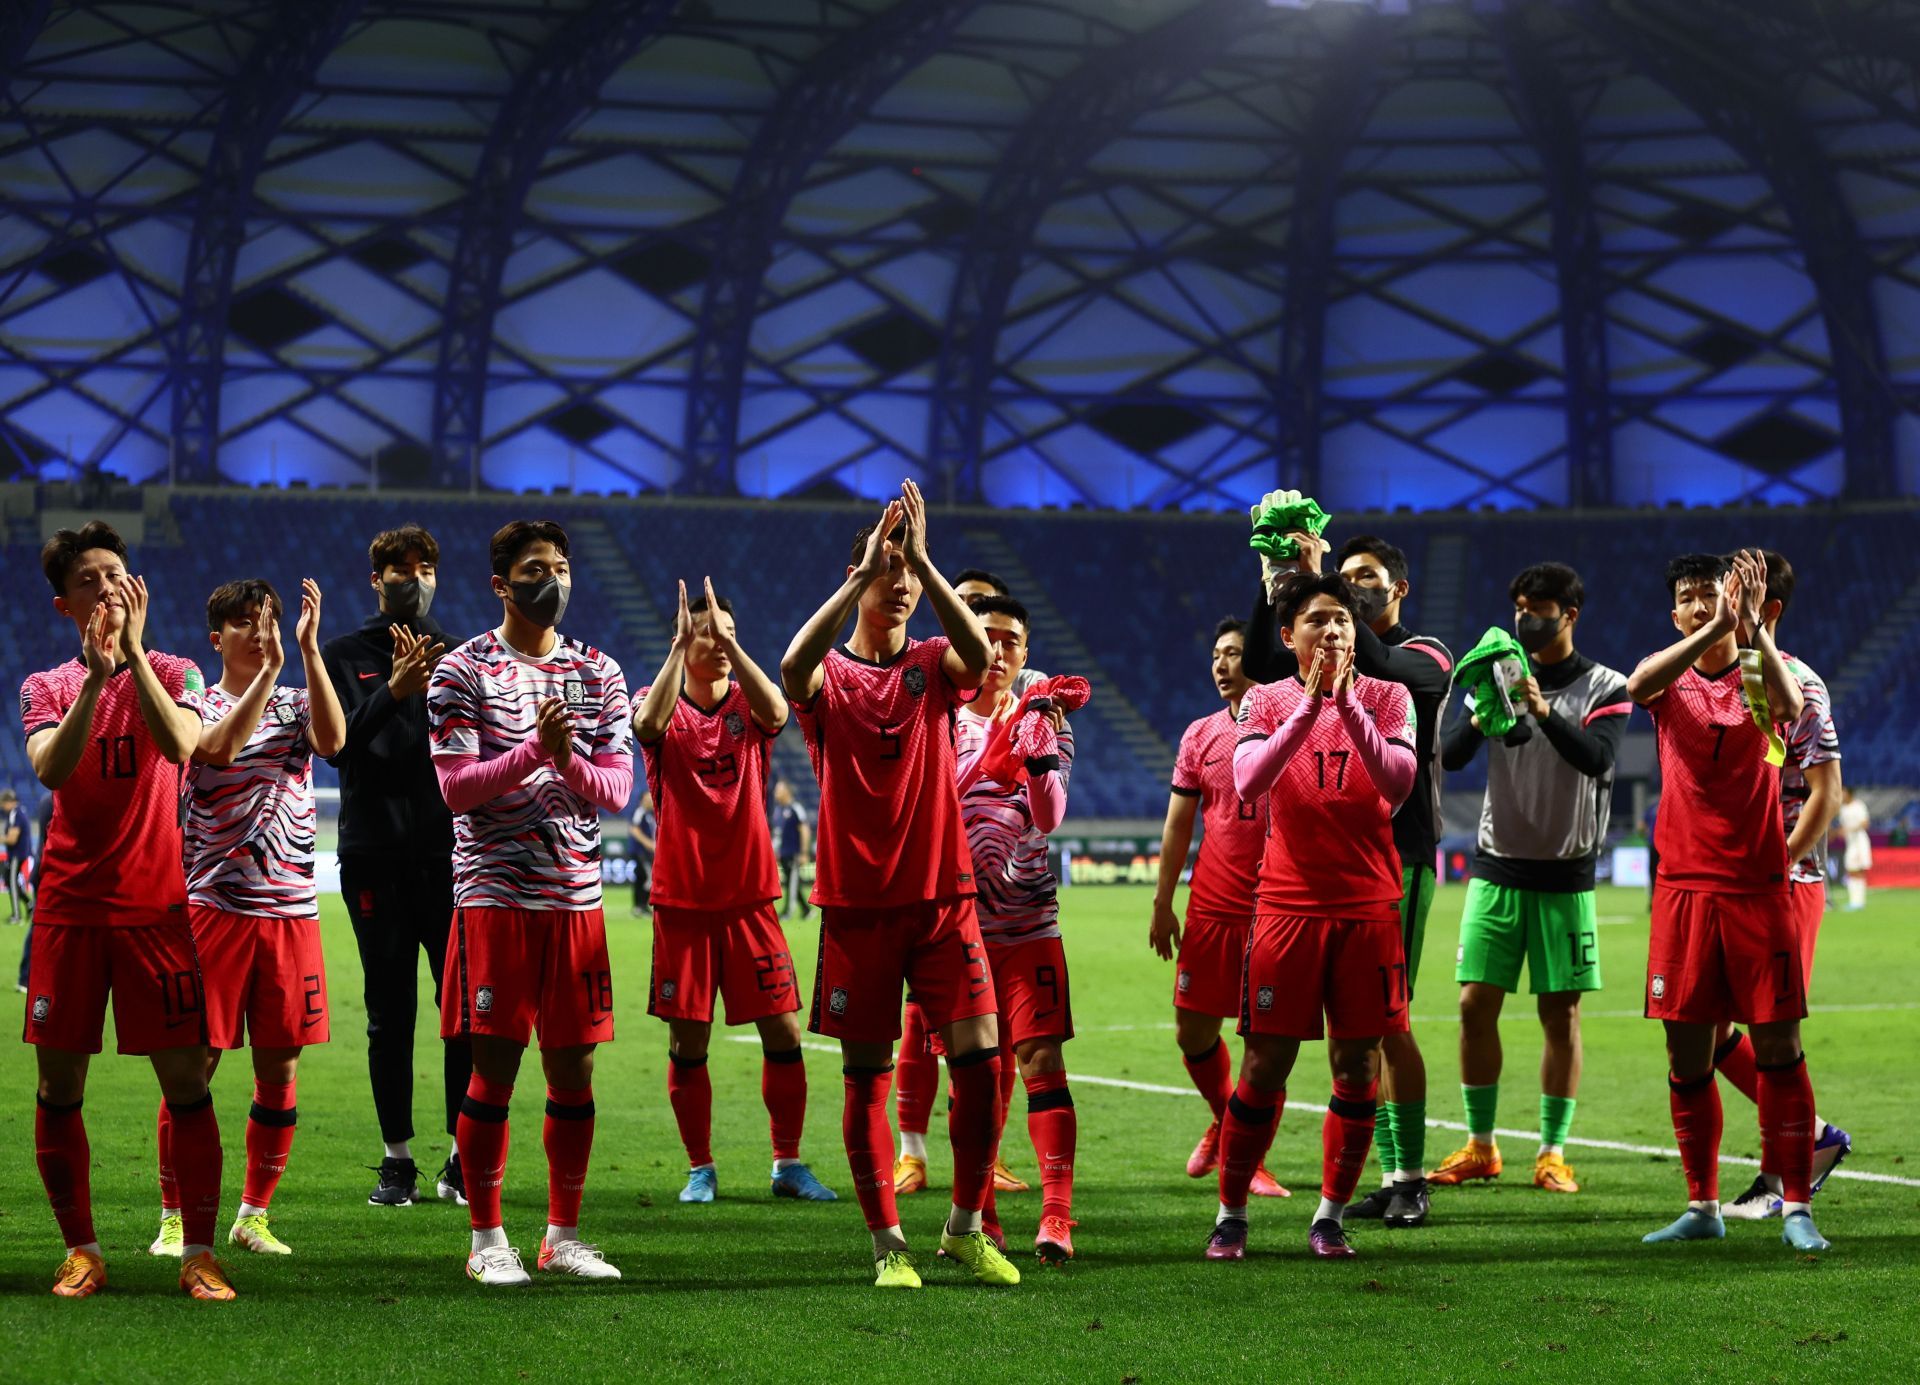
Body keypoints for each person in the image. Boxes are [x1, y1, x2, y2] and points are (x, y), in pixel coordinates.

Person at [779, 481, 1018, 1290]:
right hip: (857, 907)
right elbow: (790, 666)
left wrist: (918, 553)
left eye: (909, 569)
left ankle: (964, 1226)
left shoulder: (931, 665)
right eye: (888, 568)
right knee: (866, 1076)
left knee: (982, 1062)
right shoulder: (830, 679)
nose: (903, 581)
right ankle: (888, 1243)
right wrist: (861, 575)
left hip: (943, 898)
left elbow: (980, 656)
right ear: (857, 575)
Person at [22, 521, 235, 1300]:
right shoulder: (44, 685)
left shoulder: (174, 669)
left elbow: (185, 745)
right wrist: (91, 678)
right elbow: (52, 767)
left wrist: (135, 658)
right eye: (90, 580)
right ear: (63, 604)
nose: (108, 588)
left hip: (157, 908)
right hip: (71, 910)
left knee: (188, 1082)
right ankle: (82, 1250)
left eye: (118, 574)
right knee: (58, 1089)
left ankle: (200, 1254)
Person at [430, 520, 633, 1286]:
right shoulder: (463, 669)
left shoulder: (598, 672)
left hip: (576, 901)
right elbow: (455, 788)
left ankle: (562, 1234)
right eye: (533, 568)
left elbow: (616, 789)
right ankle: (487, 1239)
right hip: (496, 897)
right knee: (495, 1070)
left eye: (560, 566)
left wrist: (569, 759)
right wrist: (534, 755)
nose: (551, 578)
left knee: (574, 1072)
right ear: (500, 583)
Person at [1205, 572, 1417, 1263]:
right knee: (1265, 1062)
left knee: (1356, 1065)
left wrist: (1346, 703)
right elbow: (1249, 779)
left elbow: (1398, 781)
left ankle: (1328, 1216)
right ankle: (1231, 1213)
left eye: (1343, 621)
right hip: (1288, 907)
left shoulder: (1390, 697)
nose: (1332, 630)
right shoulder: (1264, 699)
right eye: (1317, 619)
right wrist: (1310, 707)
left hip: (1367, 908)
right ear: (1291, 633)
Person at [1250, 513, 1452, 1229]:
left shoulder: (1424, 657)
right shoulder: (1315, 647)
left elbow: (1378, 665)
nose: (1356, 590)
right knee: (1353, 1039)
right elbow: (1262, 661)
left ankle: (1410, 1177)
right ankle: (1386, 1175)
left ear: (1399, 588)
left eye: (1367, 578)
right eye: (1348, 577)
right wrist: (1283, 582)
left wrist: (1320, 591)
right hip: (1322, 866)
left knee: (1391, 1026)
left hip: (1398, 854)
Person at [1627, 550, 1828, 1253]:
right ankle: (1703, 1202)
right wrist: (1709, 627)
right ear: (1675, 611)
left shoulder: (1759, 674)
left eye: (1711, 592)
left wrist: (1751, 630)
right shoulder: (1671, 673)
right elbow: (1636, 682)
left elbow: (1794, 708)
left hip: (1756, 888)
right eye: (1687, 596)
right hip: (1683, 890)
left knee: (1779, 1048)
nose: (1699, 603)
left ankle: (1797, 1205)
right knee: (1688, 1054)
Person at [155, 577, 345, 1259]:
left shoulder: (295, 699)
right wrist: (268, 671)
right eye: (243, 622)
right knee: (195, 1064)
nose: (259, 631)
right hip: (215, 907)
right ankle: (175, 1215)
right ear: (217, 638)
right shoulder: (195, 703)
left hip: (290, 910)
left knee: (280, 1065)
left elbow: (333, 739)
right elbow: (219, 750)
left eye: (265, 620)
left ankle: (253, 1213)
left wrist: (309, 651)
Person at [633, 579, 835, 1205]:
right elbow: (647, 726)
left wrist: (729, 641)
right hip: (684, 904)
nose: (718, 644)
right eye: (707, 635)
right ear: (683, 641)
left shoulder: (750, 704)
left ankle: (788, 1163)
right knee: (687, 1042)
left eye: (728, 634)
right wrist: (676, 649)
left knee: (785, 1034)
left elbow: (780, 713)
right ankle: (701, 1168)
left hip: (751, 899)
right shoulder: (658, 697)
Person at [1434, 563, 1630, 1197]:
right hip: (1497, 864)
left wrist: (1541, 711)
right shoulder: (1497, 670)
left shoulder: (1607, 685)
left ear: (1569, 615)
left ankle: (1551, 1152)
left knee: (1559, 1014)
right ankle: (1481, 1145)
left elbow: (1597, 758)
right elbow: (1453, 753)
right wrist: (1484, 715)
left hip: (1567, 874)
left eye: (1539, 608)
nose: (1525, 619)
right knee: (1472, 1006)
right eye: (1519, 606)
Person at [321, 523, 472, 1208]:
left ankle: (464, 1153)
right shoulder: (343, 652)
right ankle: (397, 1160)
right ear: (375, 579)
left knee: (463, 1010)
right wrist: (394, 691)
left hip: (449, 859)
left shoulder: (464, 655)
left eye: (427, 565)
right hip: (374, 857)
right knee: (390, 1011)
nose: (416, 576)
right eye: (401, 567)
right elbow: (339, 747)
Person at [891, 569, 1050, 1200]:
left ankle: (987, 1153)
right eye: (970, 611)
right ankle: (911, 1152)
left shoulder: (1028, 691)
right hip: (935, 894)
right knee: (916, 1027)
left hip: (1009, 903)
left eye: (994, 616)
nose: (990, 635)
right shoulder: (929, 684)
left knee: (995, 1039)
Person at [1718, 552, 1851, 1218]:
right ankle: (1816, 1134)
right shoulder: (1714, 679)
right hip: (1725, 885)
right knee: (1705, 1029)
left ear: (1767, 610)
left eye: (1736, 596)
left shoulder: (1800, 684)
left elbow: (1827, 791)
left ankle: (1779, 1182)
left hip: (1787, 881)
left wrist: (1780, 861)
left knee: (1773, 1033)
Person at [955, 594, 1079, 1259]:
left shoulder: (1050, 718)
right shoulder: (941, 719)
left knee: (1041, 1060)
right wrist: (990, 757)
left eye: (1011, 640)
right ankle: (984, 1216)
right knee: (976, 1075)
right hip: (959, 927)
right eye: (987, 636)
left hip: (1031, 921)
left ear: (1026, 653)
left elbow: (1051, 813)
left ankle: (1055, 1216)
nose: (999, 650)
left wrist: (1033, 755)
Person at [1150, 619, 1285, 1198]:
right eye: (1216, 655)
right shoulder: (1199, 735)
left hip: (1277, 910)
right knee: (1191, 1032)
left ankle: (1246, 1159)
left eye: (1235, 653)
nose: (1222, 664)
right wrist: (1163, 900)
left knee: (1265, 1046)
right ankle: (1228, 1124)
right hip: (1210, 908)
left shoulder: (1291, 728)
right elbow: (1180, 823)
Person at [771, 781, 811, 922]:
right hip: (783, 854)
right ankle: (807, 910)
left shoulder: (796, 808)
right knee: (792, 882)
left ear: (787, 791)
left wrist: (804, 852)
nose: (775, 793)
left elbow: (805, 830)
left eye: (778, 790)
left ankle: (788, 912)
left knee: (792, 883)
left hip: (794, 853)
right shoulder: (777, 811)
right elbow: (777, 834)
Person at [1837, 788, 1871, 911]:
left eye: (1843, 793)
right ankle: (1855, 901)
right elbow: (1842, 826)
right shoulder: (1843, 809)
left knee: (1858, 870)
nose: (1841, 795)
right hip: (1850, 842)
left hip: (1860, 842)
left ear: (1850, 794)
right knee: (1851, 870)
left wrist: (1850, 829)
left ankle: (1858, 902)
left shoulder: (1859, 806)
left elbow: (1865, 823)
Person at [2, 788, 32, 922]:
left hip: (17, 854)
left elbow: (12, 839)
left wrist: (1, 838)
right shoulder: (18, 812)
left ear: (9, 802)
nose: (2, 807)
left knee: (13, 882)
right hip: (18, 853)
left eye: (3, 803)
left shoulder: (16, 814)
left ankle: (17, 915)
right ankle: (29, 904)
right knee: (10, 880)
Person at [628, 790, 656, 918]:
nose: (650, 801)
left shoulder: (649, 814)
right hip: (640, 852)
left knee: (641, 878)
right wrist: (648, 843)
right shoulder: (640, 812)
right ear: (642, 800)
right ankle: (642, 907)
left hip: (644, 852)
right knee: (647, 878)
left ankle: (639, 907)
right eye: (648, 799)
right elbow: (634, 829)